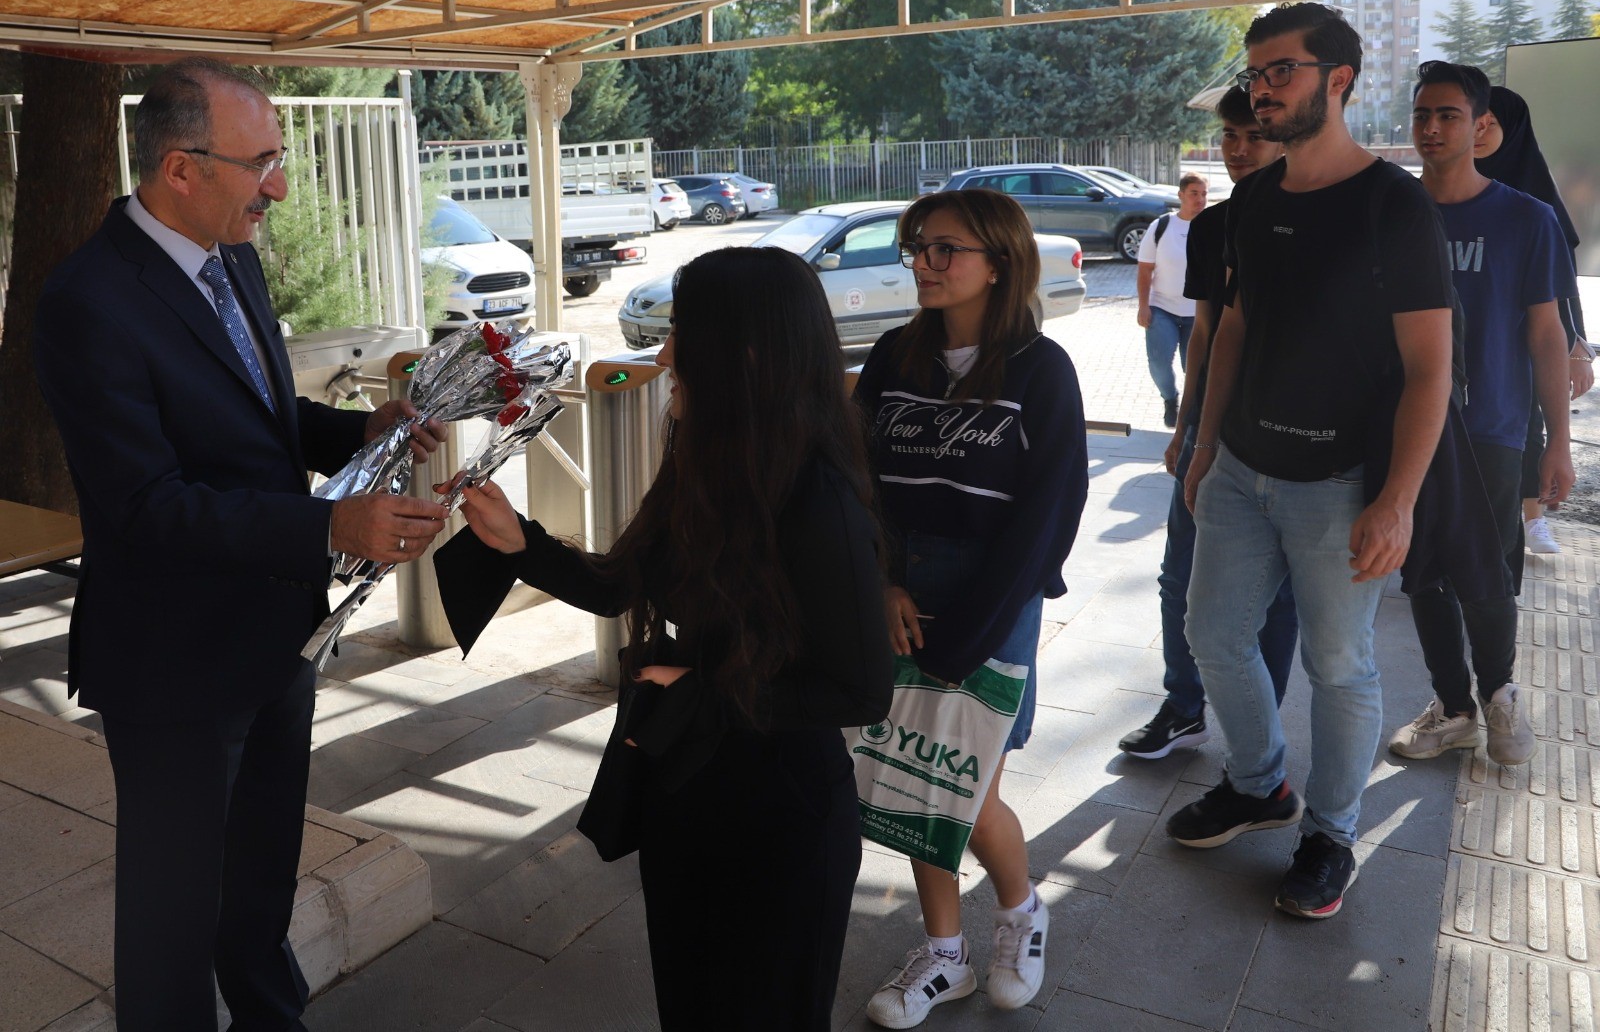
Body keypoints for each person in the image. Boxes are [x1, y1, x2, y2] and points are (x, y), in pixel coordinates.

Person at [32, 58, 447, 1032]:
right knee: (172, 925)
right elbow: (144, 504)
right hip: (172, 665)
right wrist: (327, 525)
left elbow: (260, 419)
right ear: (182, 168)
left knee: (258, 884)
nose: (281, 186)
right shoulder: (87, 300)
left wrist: (360, 433)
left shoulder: (233, 255)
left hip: (274, 639)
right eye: (262, 162)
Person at [433, 246, 893, 1032]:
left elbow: (860, 691)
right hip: (690, 790)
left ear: (748, 353)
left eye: (684, 331)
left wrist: (707, 696)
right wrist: (520, 543)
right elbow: (623, 584)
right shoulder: (707, 460)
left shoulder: (820, 500)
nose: (667, 353)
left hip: (779, 820)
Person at [1166, 3, 1455, 921]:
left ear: (1340, 80)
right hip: (1243, 469)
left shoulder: (1393, 206)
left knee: (1341, 667)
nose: (1261, 90)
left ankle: (1330, 833)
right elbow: (1236, 329)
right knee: (1211, 634)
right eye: (1255, 75)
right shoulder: (1252, 200)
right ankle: (1259, 785)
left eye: (1280, 72)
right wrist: (1205, 447)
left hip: (1339, 485)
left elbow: (1429, 369)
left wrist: (1398, 500)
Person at [856, 188, 1088, 1028]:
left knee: (968, 780)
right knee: (915, 770)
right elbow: (860, 481)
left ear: (999, 262)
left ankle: (1022, 912)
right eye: (918, 246)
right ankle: (944, 953)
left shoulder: (1041, 370)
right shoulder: (893, 356)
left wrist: (971, 633)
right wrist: (881, 582)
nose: (924, 261)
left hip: (993, 594)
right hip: (899, 594)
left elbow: (1046, 521)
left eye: (945, 249)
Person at [1388, 61, 1575, 765]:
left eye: (1449, 115)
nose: (1432, 129)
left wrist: (1557, 443)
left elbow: (1547, 334)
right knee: (1423, 571)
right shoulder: (1394, 211)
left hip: (1493, 429)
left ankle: (1499, 694)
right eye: (1422, 115)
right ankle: (1453, 706)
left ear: (1482, 126)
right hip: (1408, 428)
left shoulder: (1527, 219)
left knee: (1489, 573)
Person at [1119, 90, 1298, 760]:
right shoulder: (1212, 225)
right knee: (1180, 575)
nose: (1238, 148)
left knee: (1276, 596)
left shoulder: (1317, 219)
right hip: (1209, 430)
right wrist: (1186, 426)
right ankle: (1184, 704)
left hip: (1285, 437)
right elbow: (1203, 335)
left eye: (1253, 134)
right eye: (1228, 134)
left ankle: (1261, 733)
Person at [1476, 84, 1596, 555]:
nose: (1479, 131)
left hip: (1523, 340)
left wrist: (1577, 347)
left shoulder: (1532, 203)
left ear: (1514, 129)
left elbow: (1560, 284)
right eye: (1475, 120)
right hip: (1470, 339)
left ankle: (1532, 517)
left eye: (1491, 122)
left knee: (1527, 428)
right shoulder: (1442, 187)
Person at [1137, 173, 1207, 428]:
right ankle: (1170, 399)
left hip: (1199, 312)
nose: (1200, 199)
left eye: (1203, 194)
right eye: (1194, 193)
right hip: (1162, 307)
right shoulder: (1162, 226)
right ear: (1181, 195)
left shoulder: (1212, 227)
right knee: (1158, 361)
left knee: (1195, 368)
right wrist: (1143, 306)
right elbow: (1145, 269)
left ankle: (1191, 413)